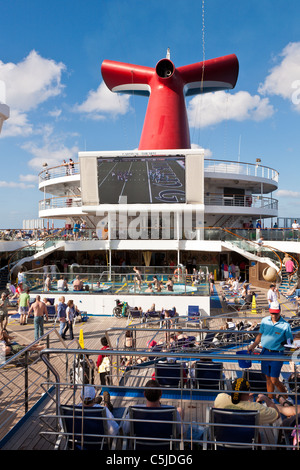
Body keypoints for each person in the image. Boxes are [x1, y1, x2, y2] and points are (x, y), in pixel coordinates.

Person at [248, 305, 294, 401]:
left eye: (276, 313)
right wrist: (253, 346)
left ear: (280, 311)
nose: (274, 315)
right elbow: (260, 335)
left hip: (277, 354)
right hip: (265, 352)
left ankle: (287, 397)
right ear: (269, 312)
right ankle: (270, 399)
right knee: (268, 378)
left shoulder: (286, 325)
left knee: (274, 379)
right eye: (272, 313)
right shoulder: (265, 321)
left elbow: (290, 341)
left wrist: (286, 343)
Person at [214, 378, 296, 425]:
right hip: (247, 441)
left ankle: (284, 402)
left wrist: (246, 401)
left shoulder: (221, 398)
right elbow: (277, 415)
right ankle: (284, 402)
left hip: (223, 439)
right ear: (248, 392)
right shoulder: (256, 408)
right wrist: (266, 398)